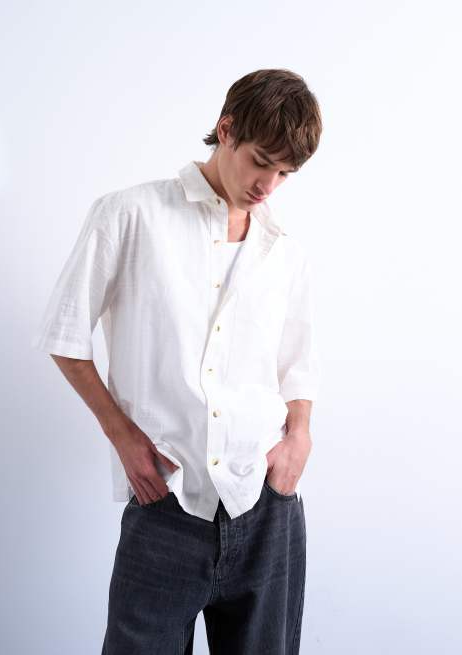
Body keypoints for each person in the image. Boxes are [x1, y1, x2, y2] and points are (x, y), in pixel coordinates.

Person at [31, 67, 322, 654]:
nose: (268, 184)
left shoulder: (284, 251)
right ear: (226, 129)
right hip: (165, 502)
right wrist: (123, 436)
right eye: (261, 161)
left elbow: (297, 361)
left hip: (266, 506)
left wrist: (299, 437)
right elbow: (66, 335)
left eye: (285, 173)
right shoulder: (129, 215)